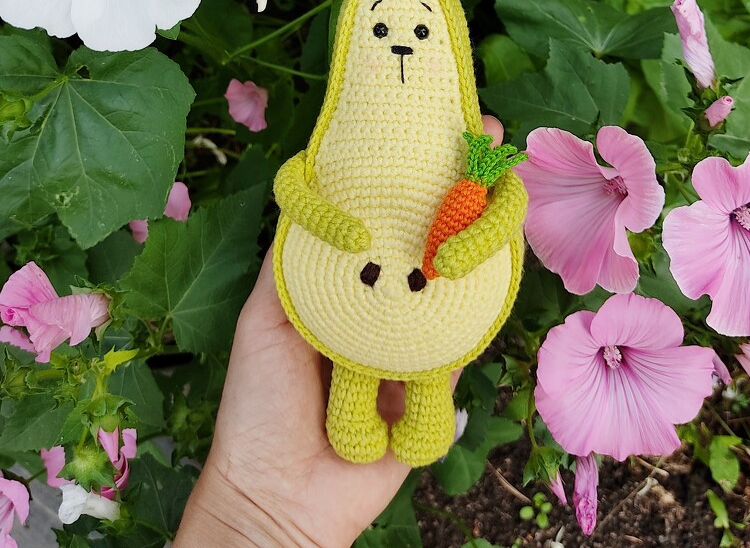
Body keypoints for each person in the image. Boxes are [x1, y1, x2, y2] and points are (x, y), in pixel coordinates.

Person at [174, 117, 505, 547]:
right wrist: (333, 224)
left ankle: (409, 418)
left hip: (423, 326)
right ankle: (363, 423)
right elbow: (292, 185)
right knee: (357, 370)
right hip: (354, 325)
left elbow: (508, 202)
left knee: (422, 383)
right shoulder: (342, 143)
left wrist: (467, 243)